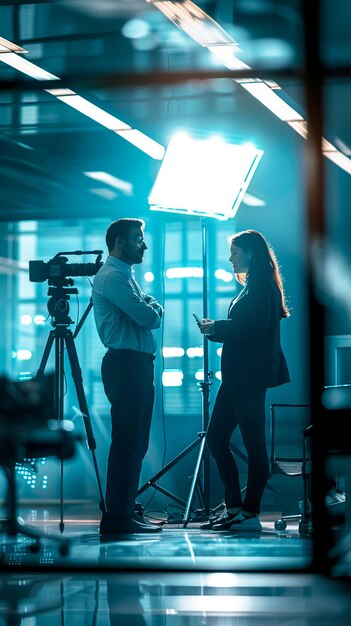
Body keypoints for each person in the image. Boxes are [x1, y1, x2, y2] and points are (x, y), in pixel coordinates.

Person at [197, 229, 290, 531]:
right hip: (239, 377)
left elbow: (253, 329)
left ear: (250, 253)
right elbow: (246, 329)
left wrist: (218, 328)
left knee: (253, 444)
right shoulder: (255, 286)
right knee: (218, 438)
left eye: (234, 253)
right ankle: (236, 507)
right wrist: (217, 331)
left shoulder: (261, 286)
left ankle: (249, 513)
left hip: (247, 377)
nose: (230, 259)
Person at [92, 218, 163, 535]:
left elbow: (147, 311)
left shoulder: (124, 276)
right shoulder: (113, 278)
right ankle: (117, 516)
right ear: (119, 242)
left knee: (136, 442)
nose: (143, 245)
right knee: (127, 442)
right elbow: (148, 315)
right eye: (138, 239)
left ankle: (124, 510)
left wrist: (149, 306)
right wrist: (152, 306)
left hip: (135, 364)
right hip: (126, 364)